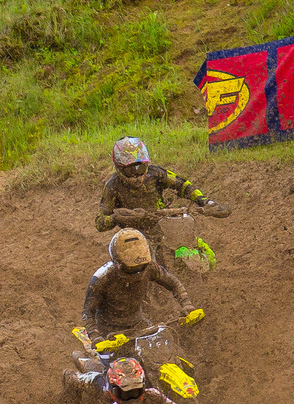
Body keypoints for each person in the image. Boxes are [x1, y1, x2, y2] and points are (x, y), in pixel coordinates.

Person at [95, 138, 224, 261]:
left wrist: (204, 201)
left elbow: (182, 185)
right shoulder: (113, 186)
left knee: (204, 253)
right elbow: (100, 222)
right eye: (130, 169)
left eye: (140, 168)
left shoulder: (155, 174)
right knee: (131, 264)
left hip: (164, 224)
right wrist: (115, 218)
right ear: (119, 168)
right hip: (135, 235)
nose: (136, 174)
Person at [82, 228, 199, 345]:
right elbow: (88, 311)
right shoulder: (103, 277)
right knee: (112, 362)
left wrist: (186, 304)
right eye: (131, 268)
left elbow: (174, 283)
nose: (138, 271)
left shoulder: (150, 267)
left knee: (164, 347)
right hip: (108, 331)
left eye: (141, 267)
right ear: (117, 261)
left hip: (138, 324)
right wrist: (95, 335)